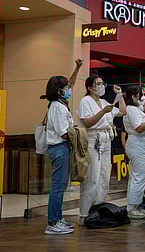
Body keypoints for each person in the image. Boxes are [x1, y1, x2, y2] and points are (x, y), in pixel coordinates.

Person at [77, 76, 126, 225]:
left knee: (104, 177)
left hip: (106, 138)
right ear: (90, 87)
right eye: (98, 84)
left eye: (102, 83)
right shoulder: (85, 101)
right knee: (92, 177)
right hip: (93, 138)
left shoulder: (104, 102)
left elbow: (123, 112)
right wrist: (103, 112)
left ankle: (98, 210)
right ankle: (84, 213)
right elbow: (88, 122)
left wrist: (120, 95)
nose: (102, 86)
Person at [44, 59, 83, 235]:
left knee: (60, 185)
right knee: (58, 187)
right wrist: (79, 134)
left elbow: (71, 83)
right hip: (59, 148)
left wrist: (77, 69)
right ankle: (52, 223)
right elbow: (63, 132)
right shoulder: (58, 108)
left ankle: (58, 219)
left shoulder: (58, 104)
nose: (69, 90)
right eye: (66, 88)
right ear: (59, 90)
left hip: (61, 148)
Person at [123, 85, 145, 219]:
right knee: (138, 176)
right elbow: (139, 128)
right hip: (137, 144)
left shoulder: (137, 109)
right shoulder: (130, 109)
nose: (143, 97)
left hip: (144, 144)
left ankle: (137, 204)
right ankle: (132, 207)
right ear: (133, 97)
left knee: (142, 176)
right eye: (140, 94)